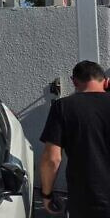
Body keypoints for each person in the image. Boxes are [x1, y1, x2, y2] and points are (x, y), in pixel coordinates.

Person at [40, 60, 110, 217]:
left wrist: (46, 195)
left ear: (74, 81)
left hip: (86, 200)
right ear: (105, 81)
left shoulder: (63, 107)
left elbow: (52, 159)